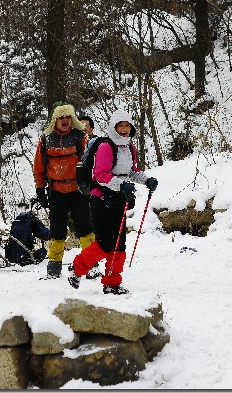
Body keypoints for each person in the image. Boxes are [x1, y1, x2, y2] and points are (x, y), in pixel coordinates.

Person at [68, 109, 158, 295]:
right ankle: (77, 268)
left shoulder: (129, 148)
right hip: (100, 198)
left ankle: (112, 283)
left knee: (119, 243)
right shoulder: (106, 147)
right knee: (105, 243)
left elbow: (131, 172)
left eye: (127, 125)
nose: (124, 129)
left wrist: (146, 180)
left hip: (119, 199)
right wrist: (121, 185)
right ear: (114, 127)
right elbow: (99, 175)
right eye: (121, 125)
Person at [33, 102, 98, 279]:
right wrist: (40, 190)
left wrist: (92, 185)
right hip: (56, 190)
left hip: (79, 190)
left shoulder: (80, 137)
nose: (65, 120)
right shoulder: (45, 139)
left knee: (85, 227)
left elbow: (92, 163)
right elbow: (39, 168)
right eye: (61, 117)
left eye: (68, 116)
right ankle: (54, 265)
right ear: (55, 119)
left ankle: (91, 264)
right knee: (57, 229)